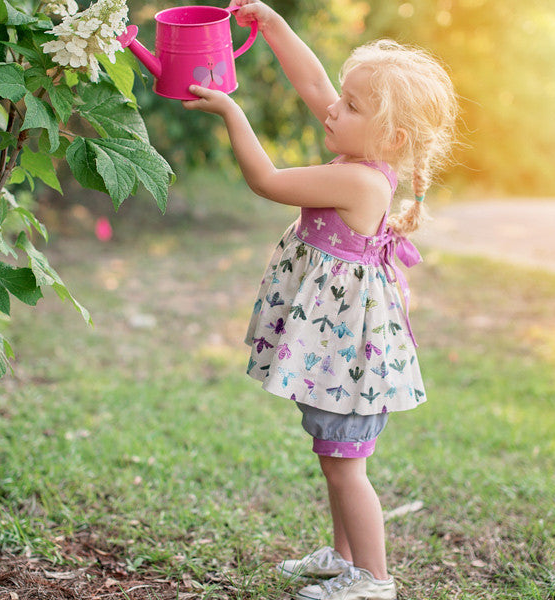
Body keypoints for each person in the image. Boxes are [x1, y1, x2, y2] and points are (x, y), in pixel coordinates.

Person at [183, 2, 457, 599]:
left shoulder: (358, 179)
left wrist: (231, 110)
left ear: (392, 135)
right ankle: (342, 557)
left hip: (349, 355)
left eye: (351, 105)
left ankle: (374, 581)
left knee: (344, 464)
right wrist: (273, 24)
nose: (334, 105)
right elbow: (313, 82)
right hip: (340, 349)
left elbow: (268, 182)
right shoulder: (364, 150)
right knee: (334, 453)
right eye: (344, 96)